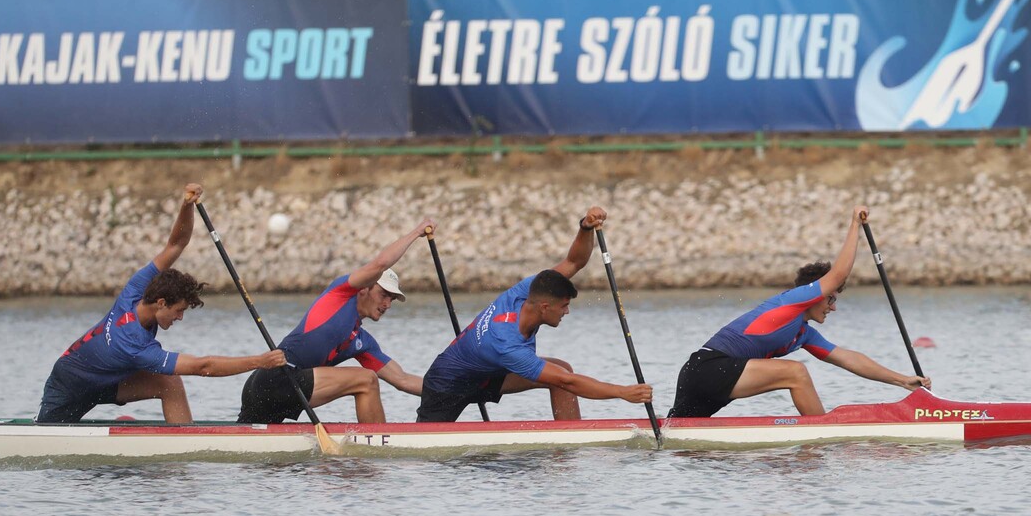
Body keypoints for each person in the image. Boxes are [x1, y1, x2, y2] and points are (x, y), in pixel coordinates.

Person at [37, 183, 286, 423]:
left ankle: (184, 448)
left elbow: (176, 244)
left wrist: (186, 205)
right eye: (178, 311)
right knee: (45, 436)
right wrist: (258, 362)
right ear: (161, 303)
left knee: (169, 382)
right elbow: (203, 366)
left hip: (104, 380)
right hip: (69, 384)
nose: (180, 318)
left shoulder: (136, 289)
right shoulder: (133, 344)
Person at [668, 205, 931, 418]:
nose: (833, 307)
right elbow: (838, 273)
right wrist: (854, 225)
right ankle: (822, 434)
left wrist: (902, 380)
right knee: (796, 372)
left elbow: (849, 359)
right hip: (706, 369)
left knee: (676, 431)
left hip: (711, 378)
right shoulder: (792, 301)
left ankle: (818, 432)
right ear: (814, 293)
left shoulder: (804, 334)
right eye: (830, 298)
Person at [416, 207, 653, 422]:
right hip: (445, 386)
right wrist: (623, 392)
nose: (567, 311)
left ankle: (569, 442)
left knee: (561, 371)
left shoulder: (527, 290)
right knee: (562, 378)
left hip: (487, 373)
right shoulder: (506, 344)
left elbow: (574, 261)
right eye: (564, 306)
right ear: (544, 307)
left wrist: (585, 228)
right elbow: (567, 382)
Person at [237, 219, 435, 424]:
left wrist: (456, 392)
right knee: (366, 380)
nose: (388, 304)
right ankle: (378, 446)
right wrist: (416, 233)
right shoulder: (340, 294)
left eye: (392, 299)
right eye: (384, 295)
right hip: (272, 380)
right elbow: (380, 264)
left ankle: (374, 444)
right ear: (365, 287)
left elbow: (402, 380)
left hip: (284, 390)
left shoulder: (362, 342)